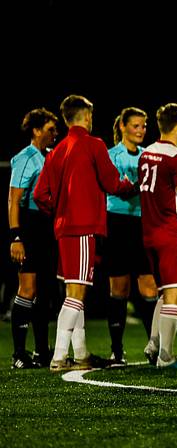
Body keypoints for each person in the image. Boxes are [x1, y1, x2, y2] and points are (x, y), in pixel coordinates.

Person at [33, 95, 135, 371]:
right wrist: (131, 185)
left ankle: (80, 354)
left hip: (64, 229)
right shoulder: (94, 144)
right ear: (87, 116)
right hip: (82, 229)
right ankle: (59, 358)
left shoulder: (57, 150)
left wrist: (59, 209)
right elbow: (112, 183)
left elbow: (39, 194)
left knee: (72, 291)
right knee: (76, 294)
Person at [138, 103, 177, 368]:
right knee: (176, 293)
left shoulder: (146, 153)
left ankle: (154, 345)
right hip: (172, 231)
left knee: (163, 293)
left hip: (149, 233)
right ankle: (167, 356)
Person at [105, 107, 159, 366]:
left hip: (142, 223)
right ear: (123, 127)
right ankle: (117, 351)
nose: (140, 130)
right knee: (120, 288)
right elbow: (118, 189)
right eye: (135, 126)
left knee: (149, 286)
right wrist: (140, 186)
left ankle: (154, 347)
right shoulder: (111, 155)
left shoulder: (148, 155)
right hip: (117, 223)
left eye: (144, 125)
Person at [8, 108, 59, 368]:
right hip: (29, 226)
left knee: (47, 292)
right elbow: (14, 199)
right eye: (50, 129)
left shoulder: (50, 156)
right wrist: (16, 236)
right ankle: (19, 353)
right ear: (36, 130)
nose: (55, 134)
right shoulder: (25, 158)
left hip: (48, 228)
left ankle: (41, 351)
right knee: (27, 288)